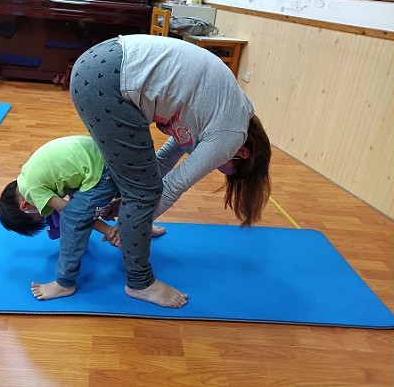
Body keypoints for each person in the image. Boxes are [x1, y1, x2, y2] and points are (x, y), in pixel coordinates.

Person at [69, 34, 272, 309]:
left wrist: (132, 216)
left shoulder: (222, 112)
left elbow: (163, 161)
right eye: (227, 170)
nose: (219, 167)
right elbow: (173, 186)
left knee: (140, 188)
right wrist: (132, 223)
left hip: (98, 64)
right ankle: (140, 284)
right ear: (243, 153)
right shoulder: (230, 135)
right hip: (107, 80)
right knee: (143, 192)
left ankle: (135, 226)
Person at [0, 135, 166, 301]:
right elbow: (76, 201)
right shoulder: (27, 174)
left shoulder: (32, 192)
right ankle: (139, 228)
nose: (46, 214)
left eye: (41, 215)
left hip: (101, 171)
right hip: (107, 155)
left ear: (25, 206)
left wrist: (108, 231)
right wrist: (105, 228)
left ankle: (64, 283)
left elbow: (73, 215)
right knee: (89, 203)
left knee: (71, 223)